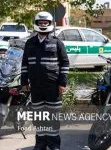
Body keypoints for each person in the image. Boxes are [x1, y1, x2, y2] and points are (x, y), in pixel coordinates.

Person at [21, 11, 69, 150]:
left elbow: (65, 63)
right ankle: (41, 144)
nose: (43, 25)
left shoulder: (57, 42)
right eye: (40, 23)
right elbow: (24, 64)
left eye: (45, 23)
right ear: (36, 24)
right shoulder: (30, 43)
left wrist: (62, 83)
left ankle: (54, 145)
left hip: (53, 87)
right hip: (35, 86)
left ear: (50, 24)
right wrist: (24, 82)